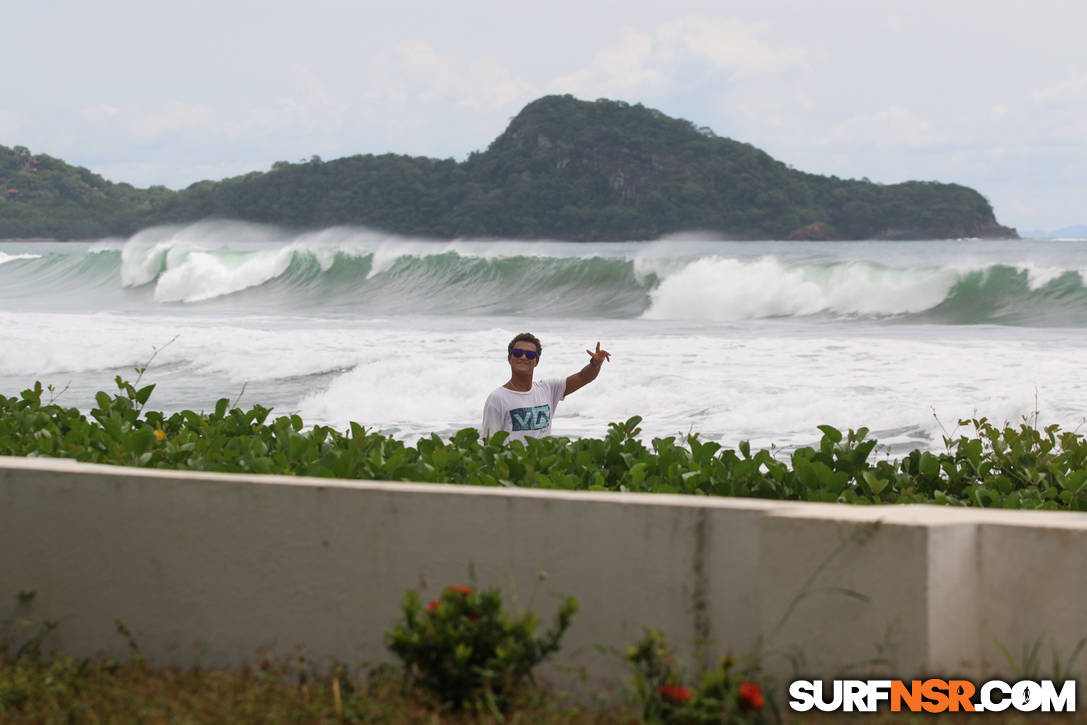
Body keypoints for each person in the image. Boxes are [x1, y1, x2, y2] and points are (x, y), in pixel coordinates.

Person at [480, 332, 611, 443]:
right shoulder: (497, 398)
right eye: (518, 353)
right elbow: (490, 445)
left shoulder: (547, 389)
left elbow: (583, 377)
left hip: (542, 467)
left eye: (530, 355)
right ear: (510, 358)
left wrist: (595, 364)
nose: (523, 357)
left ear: (536, 361)